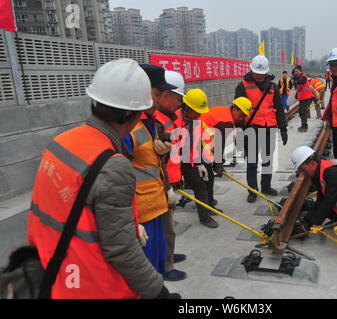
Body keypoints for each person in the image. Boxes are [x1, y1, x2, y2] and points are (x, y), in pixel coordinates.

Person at [27, 58, 179, 299]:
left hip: (54, 270)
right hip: (92, 284)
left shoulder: (60, 143)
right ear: (135, 115)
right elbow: (122, 250)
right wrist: (159, 292)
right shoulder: (112, 164)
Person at [129, 66, 186, 282]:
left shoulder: (150, 121)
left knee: (165, 234)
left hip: (158, 189)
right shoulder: (133, 124)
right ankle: (165, 265)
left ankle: (166, 260)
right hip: (143, 201)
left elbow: (148, 156)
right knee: (155, 243)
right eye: (159, 94)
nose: (178, 102)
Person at [290, 146, 337, 265]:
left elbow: (328, 202)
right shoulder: (319, 171)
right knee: (322, 209)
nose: (302, 173)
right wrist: (306, 221)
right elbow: (320, 200)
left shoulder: (332, 173)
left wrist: (311, 227)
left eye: (303, 169)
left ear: (312, 163)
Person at [235, 55, 288, 203]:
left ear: (266, 72)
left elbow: (279, 108)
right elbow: (237, 111)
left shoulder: (272, 87)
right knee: (251, 162)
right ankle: (252, 190)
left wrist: (283, 129)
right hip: (251, 129)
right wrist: (239, 130)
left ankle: (266, 186)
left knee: (267, 160)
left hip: (269, 128)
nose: (259, 76)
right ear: (251, 70)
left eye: (261, 73)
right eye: (256, 73)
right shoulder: (242, 86)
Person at [179, 89, 220, 228]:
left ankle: (207, 212)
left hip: (190, 157)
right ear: (187, 108)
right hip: (177, 159)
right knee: (197, 186)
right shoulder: (177, 121)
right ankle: (204, 217)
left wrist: (199, 164)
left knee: (204, 182)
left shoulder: (195, 119)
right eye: (197, 110)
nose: (199, 114)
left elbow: (195, 143)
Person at [292, 65, 313, 132]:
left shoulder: (303, 77)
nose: (296, 72)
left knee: (302, 112)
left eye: (297, 71)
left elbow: (302, 82)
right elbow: (298, 88)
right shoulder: (298, 77)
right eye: (295, 71)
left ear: (300, 71)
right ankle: (303, 125)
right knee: (301, 112)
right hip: (302, 97)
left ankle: (304, 126)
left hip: (306, 97)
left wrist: (296, 81)